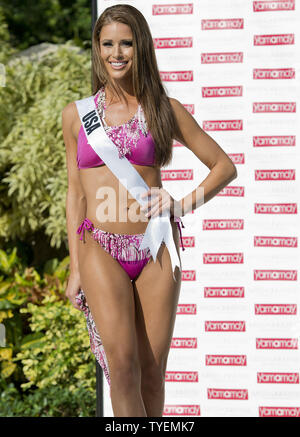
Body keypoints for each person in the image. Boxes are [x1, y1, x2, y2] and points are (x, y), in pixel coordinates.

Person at [62, 4, 237, 417]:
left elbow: (224, 166)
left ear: (141, 48)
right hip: (99, 246)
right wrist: (75, 267)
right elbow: (75, 195)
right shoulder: (76, 116)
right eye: (107, 44)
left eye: (126, 43)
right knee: (121, 370)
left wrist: (181, 203)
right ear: (96, 49)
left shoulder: (163, 108)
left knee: (152, 373)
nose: (116, 53)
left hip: (156, 244)